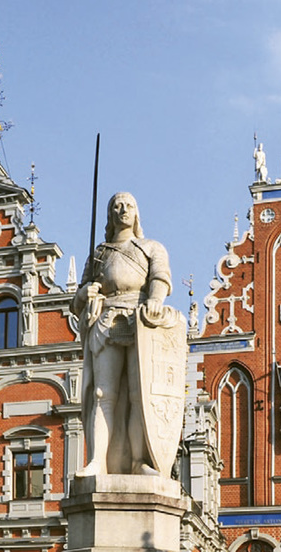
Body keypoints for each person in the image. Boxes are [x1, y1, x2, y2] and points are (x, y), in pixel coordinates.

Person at [71, 191, 177, 476]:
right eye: (116, 206)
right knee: (104, 394)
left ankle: (139, 460)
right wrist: (85, 292)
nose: (122, 209)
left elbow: (160, 278)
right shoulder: (99, 254)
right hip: (107, 319)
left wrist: (155, 300)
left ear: (137, 212)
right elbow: (76, 301)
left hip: (140, 319)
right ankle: (97, 461)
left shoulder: (151, 247)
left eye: (128, 205)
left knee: (139, 395)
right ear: (110, 215)